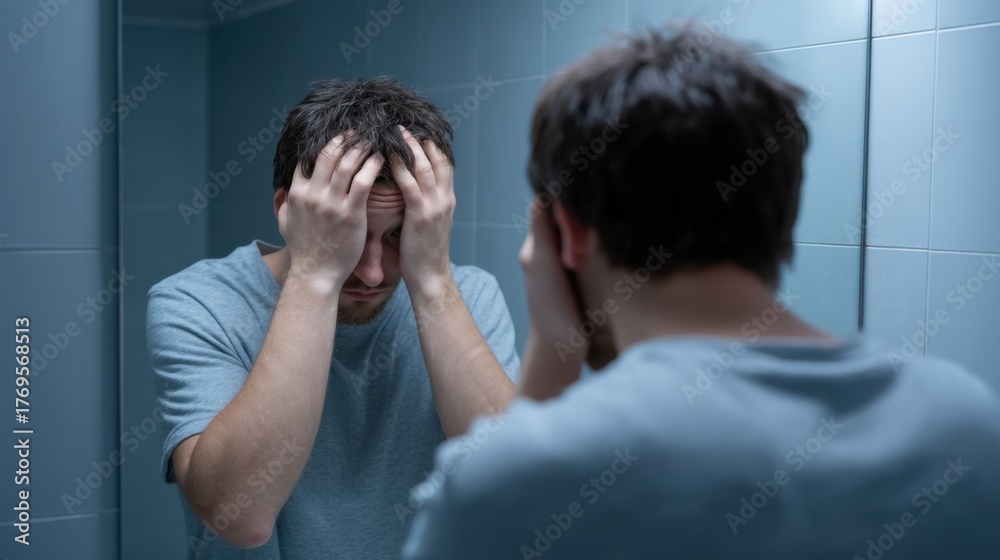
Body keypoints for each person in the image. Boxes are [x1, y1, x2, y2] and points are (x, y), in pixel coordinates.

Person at [401, 26, 1000, 559]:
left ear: (567, 236)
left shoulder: (532, 474)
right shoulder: (970, 425)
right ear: (783, 211)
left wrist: (546, 371)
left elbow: (498, 501)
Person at [145, 76, 519, 559]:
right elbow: (241, 518)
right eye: (350, 232)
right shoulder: (196, 303)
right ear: (288, 210)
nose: (371, 271)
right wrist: (316, 275)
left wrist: (433, 281)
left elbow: (512, 490)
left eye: (397, 235)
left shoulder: (470, 295)